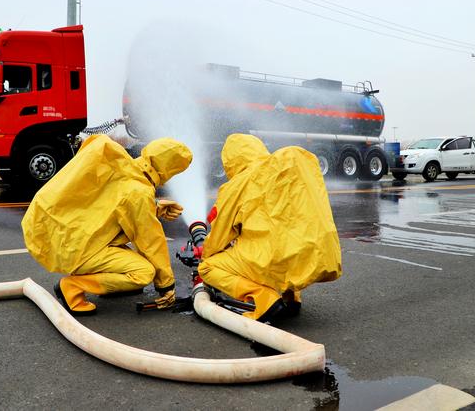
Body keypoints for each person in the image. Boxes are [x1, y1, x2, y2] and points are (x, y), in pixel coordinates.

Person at [21, 134, 192, 315]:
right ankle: (72, 287)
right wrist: (166, 285)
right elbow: (150, 242)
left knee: (132, 261)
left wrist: (154, 208)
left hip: (69, 239)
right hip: (80, 250)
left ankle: (113, 284)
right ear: (168, 169)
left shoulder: (122, 166)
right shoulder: (138, 191)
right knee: (143, 272)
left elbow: (110, 205)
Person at [198, 134, 341, 322]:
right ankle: (291, 299)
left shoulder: (237, 184)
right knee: (285, 235)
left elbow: (219, 235)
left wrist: (205, 252)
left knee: (208, 267)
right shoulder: (284, 168)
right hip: (317, 253)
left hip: (275, 258)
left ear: (230, 160)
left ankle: (266, 302)